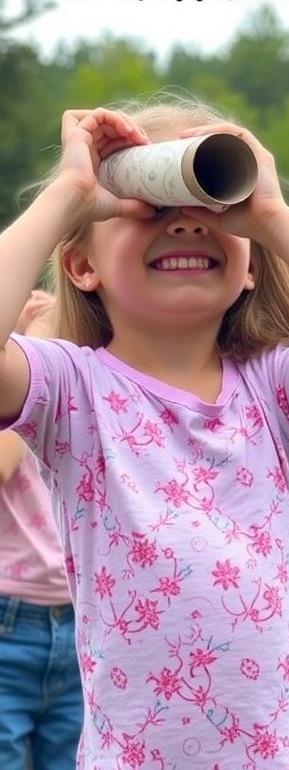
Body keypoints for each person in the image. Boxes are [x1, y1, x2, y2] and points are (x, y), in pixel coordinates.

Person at [0, 96, 289, 770]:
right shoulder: (71, 389)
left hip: (282, 755)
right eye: (150, 207)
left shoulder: (277, 384)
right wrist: (69, 194)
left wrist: (273, 218)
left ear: (252, 265)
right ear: (82, 266)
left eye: (212, 208)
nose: (186, 223)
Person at [0, 291, 82, 770]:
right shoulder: (20, 369)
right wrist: (36, 343)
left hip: (79, 619)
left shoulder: (79, 373)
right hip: (9, 622)